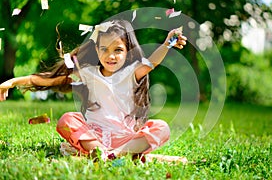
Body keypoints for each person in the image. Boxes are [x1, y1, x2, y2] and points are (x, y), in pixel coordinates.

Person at [0, 19, 187, 161]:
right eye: (104, 49)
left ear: (128, 51)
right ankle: (107, 154)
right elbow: (49, 80)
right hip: (95, 136)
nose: (110, 55)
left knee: (161, 127)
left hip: (126, 138)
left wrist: (167, 44)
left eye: (118, 50)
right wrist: (13, 82)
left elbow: (152, 61)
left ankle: (113, 155)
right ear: (96, 50)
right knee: (67, 119)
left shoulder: (133, 72)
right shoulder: (88, 74)